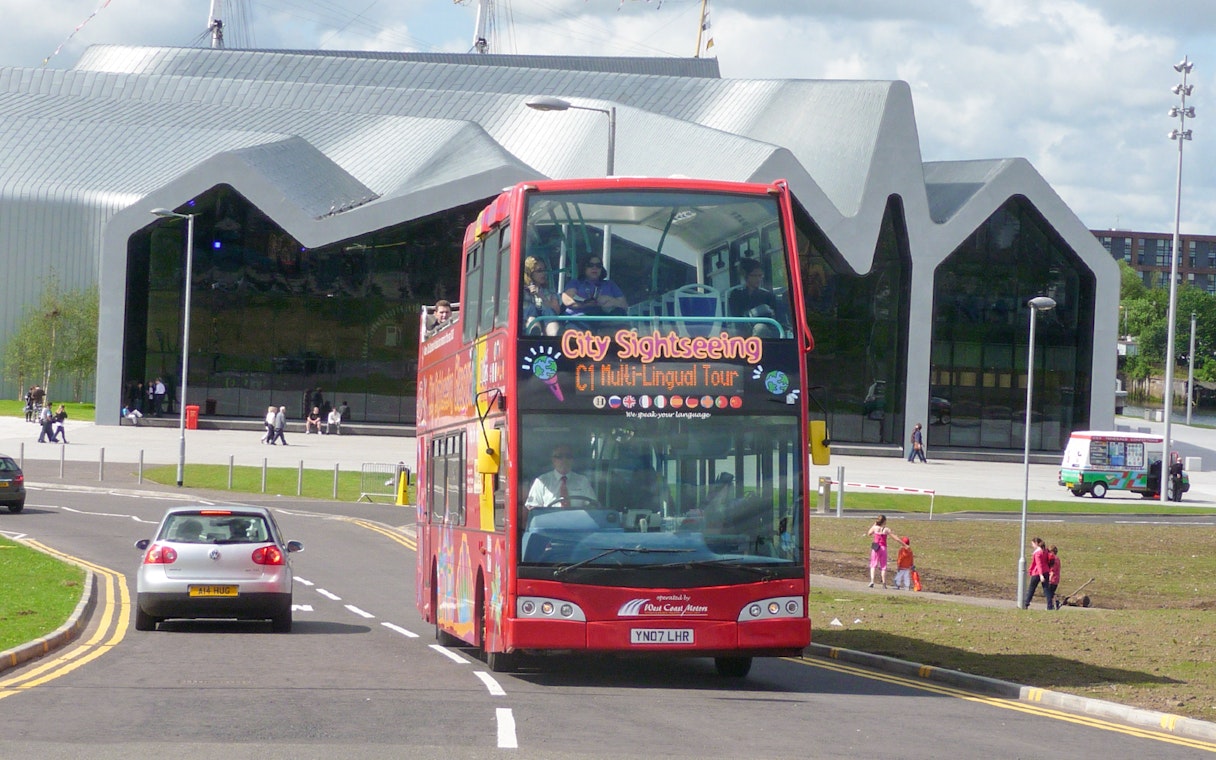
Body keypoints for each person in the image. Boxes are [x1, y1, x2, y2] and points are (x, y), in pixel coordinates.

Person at [561, 257, 627, 327]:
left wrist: (610, 300)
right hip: (578, 320)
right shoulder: (575, 283)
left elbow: (624, 305)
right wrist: (588, 304)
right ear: (584, 267)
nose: (594, 268)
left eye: (598, 265)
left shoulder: (610, 284)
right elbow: (568, 301)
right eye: (590, 265)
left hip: (605, 320)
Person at [525, 445, 596, 508]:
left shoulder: (582, 481)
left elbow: (593, 505)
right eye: (559, 456)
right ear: (553, 460)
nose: (564, 460)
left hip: (576, 521)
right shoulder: (542, 481)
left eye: (568, 456)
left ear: (572, 460)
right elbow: (532, 507)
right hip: (549, 521)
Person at [727, 258, 779, 335]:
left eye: (760, 276)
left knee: (760, 328)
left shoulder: (768, 295)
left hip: (763, 331)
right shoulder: (736, 294)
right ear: (745, 275)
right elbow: (735, 316)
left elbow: (774, 319)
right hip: (741, 328)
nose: (758, 279)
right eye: (754, 275)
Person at [522, 256, 562, 336]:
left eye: (544, 270)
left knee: (548, 310)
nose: (543, 273)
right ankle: (534, 331)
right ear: (530, 273)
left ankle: (554, 334)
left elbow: (556, 311)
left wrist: (542, 296)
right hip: (525, 324)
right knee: (531, 308)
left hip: (546, 323)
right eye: (539, 271)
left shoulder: (550, 292)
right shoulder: (521, 292)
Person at [865, 514, 896, 588]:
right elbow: (895, 537)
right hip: (883, 548)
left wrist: (874, 524)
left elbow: (869, 533)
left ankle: (872, 581)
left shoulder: (875, 528)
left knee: (873, 564)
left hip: (876, 547)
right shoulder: (886, 529)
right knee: (883, 566)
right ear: (884, 521)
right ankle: (884, 583)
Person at [1023, 537, 1049, 608]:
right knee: (1046, 589)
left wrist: (1040, 575)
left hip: (1037, 573)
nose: (1032, 546)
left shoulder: (1037, 553)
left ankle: (1026, 603)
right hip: (1046, 571)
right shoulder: (1045, 551)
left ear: (1036, 543)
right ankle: (1050, 605)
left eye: (1032, 544)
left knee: (1031, 589)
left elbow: (1038, 564)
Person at [1044, 545, 1061, 610]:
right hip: (1056, 579)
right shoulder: (1058, 559)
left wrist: (1049, 579)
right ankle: (1056, 602)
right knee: (1051, 592)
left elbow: (1052, 570)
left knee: (1049, 593)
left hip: (1052, 579)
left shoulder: (1053, 559)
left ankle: (1051, 606)